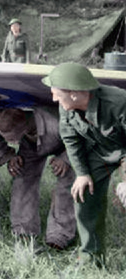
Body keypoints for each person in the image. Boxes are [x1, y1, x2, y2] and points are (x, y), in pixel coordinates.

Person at [42, 62, 126, 267]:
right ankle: (91, 257)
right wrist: (82, 174)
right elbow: (71, 140)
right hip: (100, 152)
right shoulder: (67, 107)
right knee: (83, 193)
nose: (53, 99)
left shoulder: (119, 101)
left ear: (74, 93)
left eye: (56, 93)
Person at [0, 107, 76, 250]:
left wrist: (65, 158)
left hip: (66, 144)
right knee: (22, 178)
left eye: (11, 140)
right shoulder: (0, 121)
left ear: (24, 129)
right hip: (31, 145)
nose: (10, 142)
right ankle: (24, 231)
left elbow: (83, 137)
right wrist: (8, 155)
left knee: (66, 180)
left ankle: (60, 235)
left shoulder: (57, 122)